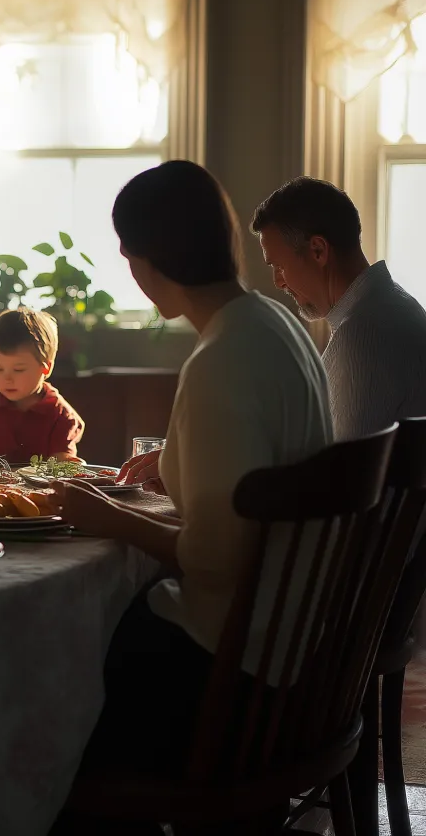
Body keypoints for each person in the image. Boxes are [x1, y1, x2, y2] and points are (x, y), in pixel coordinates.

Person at [53, 161, 331, 830]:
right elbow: (260, 455)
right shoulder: (273, 324)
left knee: (67, 691)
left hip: (237, 672)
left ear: (145, 258)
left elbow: (214, 560)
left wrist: (105, 514)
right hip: (299, 649)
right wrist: (177, 460)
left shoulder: (218, 362)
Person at [252, 175, 426, 440]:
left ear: (318, 250)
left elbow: (344, 474)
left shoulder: (363, 335)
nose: (278, 282)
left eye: (279, 266)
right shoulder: (398, 306)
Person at [0, 307, 84, 463]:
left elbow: (62, 461)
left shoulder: (62, 415)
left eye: (18, 369)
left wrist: (70, 463)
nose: (7, 378)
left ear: (46, 367)